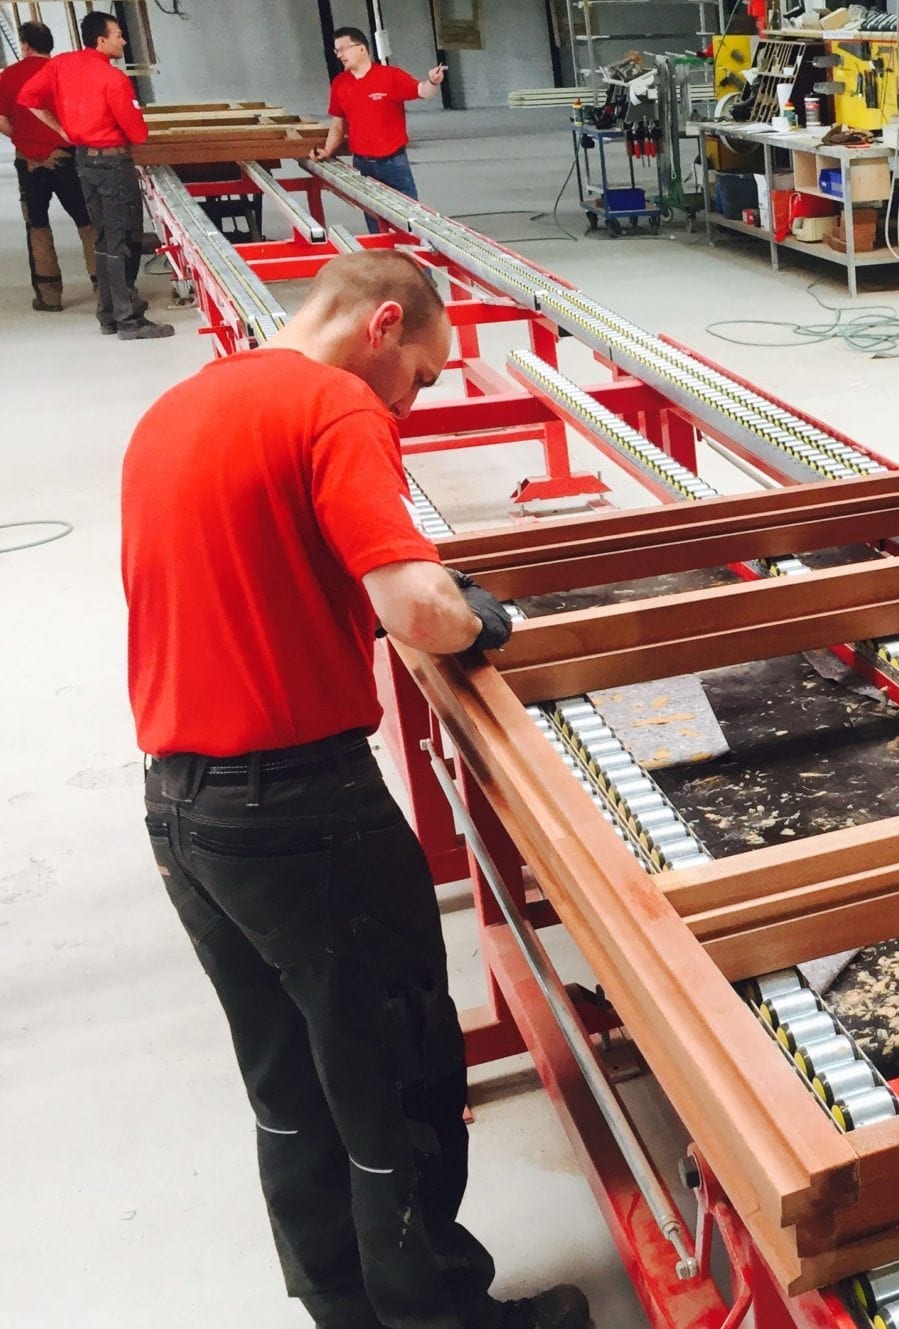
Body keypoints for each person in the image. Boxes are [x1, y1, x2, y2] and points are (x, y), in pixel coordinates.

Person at [124, 250, 587, 1329]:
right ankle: (440, 1317)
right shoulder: (333, 405)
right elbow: (416, 610)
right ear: (382, 325)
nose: (411, 405)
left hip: (183, 812)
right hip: (302, 812)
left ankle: (342, 1301)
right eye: (419, 376)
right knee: (396, 1068)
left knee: (288, 1075)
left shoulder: (179, 409)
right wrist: (477, 618)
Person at [14, 10, 167, 338]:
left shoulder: (61, 64)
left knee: (103, 237)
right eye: (118, 36)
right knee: (123, 237)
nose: (123, 41)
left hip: (84, 161)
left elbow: (27, 98)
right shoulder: (113, 79)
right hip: (113, 165)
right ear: (101, 40)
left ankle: (108, 314)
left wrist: (62, 129)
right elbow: (138, 134)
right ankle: (129, 320)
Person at [0, 21, 96, 311]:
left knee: (37, 226)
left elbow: (1, 120)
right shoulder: (63, 72)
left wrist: (22, 138)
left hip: (28, 163)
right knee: (87, 221)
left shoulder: (8, 77)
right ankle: (103, 286)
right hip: (66, 157)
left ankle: (49, 296)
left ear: (25, 45)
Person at [309, 26, 445, 231]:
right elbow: (338, 124)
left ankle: (416, 252)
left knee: (409, 221)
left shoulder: (390, 76)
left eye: (343, 49)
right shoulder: (340, 84)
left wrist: (433, 82)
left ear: (361, 48)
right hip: (363, 165)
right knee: (375, 223)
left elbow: (422, 91)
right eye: (337, 51)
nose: (339, 55)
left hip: (393, 163)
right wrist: (327, 150)